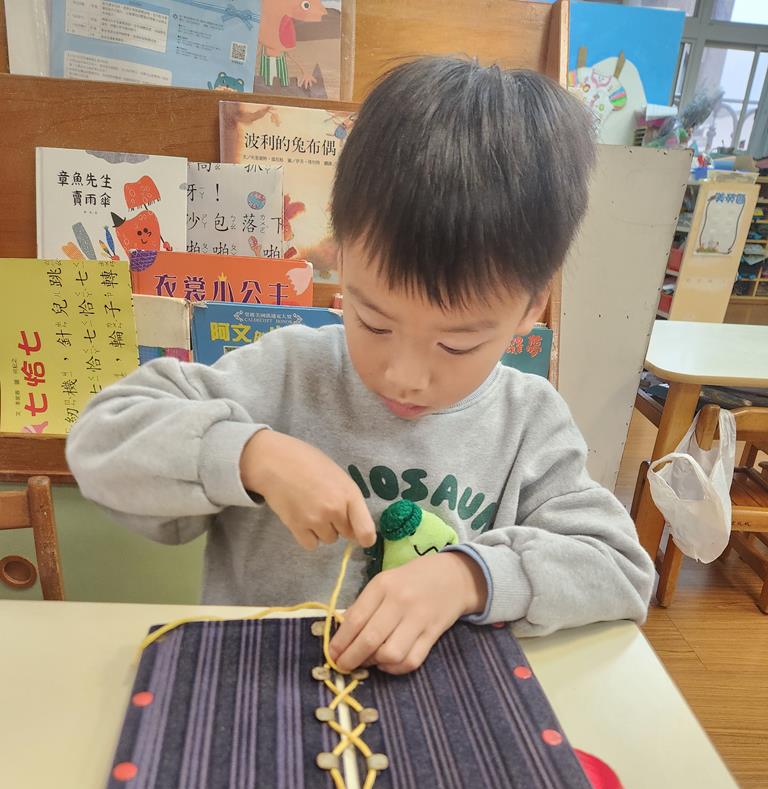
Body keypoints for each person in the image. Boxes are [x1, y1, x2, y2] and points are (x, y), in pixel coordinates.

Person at [67, 57, 654, 675]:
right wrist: (249, 455)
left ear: (532, 307)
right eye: (374, 322)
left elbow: (619, 568)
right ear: (341, 259)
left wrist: (470, 577)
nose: (405, 376)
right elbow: (101, 440)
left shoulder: (527, 421)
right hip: (256, 691)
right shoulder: (287, 372)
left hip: (441, 705)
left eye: (456, 346)